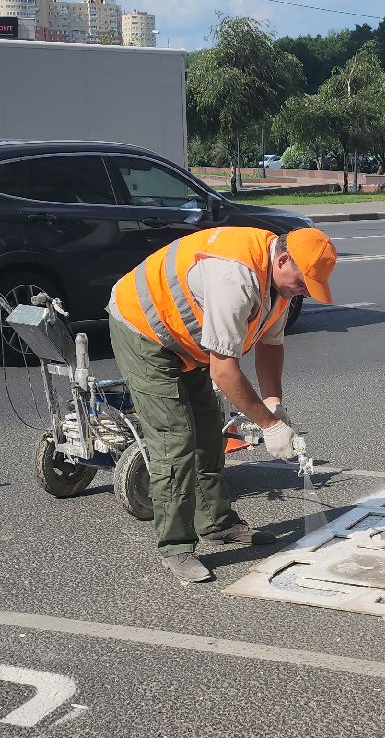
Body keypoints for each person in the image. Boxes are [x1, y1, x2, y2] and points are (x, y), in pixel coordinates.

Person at [108, 225, 338, 583]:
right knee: (176, 439)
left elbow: (270, 344)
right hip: (144, 328)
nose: (304, 291)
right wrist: (269, 425)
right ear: (282, 260)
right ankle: (176, 547)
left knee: (208, 433)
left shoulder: (279, 284)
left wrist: (273, 401)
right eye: (303, 281)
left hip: (184, 338)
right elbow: (224, 370)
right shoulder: (236, 278)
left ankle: (217, 524)